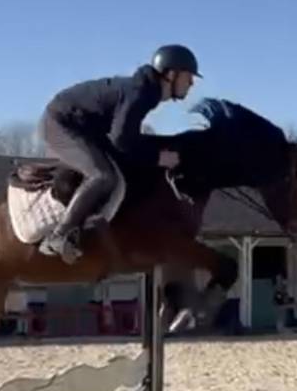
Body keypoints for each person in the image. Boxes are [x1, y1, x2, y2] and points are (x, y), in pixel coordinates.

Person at [35, 44, 201, 262]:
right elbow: (122, 141)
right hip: (60, 124)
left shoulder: (146, 92)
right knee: (102, 176)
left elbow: (126, 139)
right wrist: (157, 158)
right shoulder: (141, 94)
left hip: (84, 127)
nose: (191, 83)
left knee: (120, 171)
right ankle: (59, 235)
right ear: (171, 74)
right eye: (188, 77)